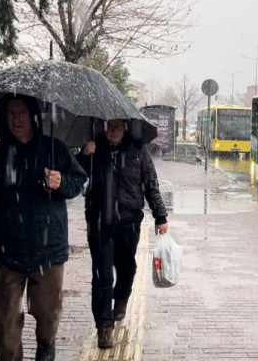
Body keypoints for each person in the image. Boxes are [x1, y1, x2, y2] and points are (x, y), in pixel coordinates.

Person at [0, 94, 88, 361]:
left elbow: (79, 180)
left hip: (49, 251)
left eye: (21, 113)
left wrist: (61, 182)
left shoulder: (55, 149)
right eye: (10, 114)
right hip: (9, 252)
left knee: (47, 315)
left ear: (33, 116)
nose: (16, 119)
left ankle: (46, 347)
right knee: (6, 328)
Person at [77, 119, 168, 349]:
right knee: (103, 274)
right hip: (99, 221)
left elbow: (151, 184)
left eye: (119, 126)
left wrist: (161, 216)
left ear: (126, 127)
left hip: (128, 221)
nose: (114, 131)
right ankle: (104, 326)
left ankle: (122, 297)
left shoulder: (137, 150)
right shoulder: (94, 148)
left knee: (127, 268)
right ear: (103, 127)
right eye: (110, 126)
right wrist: (84, 155)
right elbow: (74, 177)